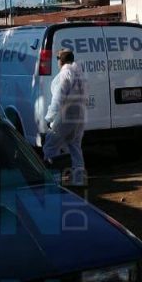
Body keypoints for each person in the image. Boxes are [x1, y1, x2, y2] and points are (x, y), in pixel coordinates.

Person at [43, 49, 87, 186]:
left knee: (50, 146)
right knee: (75, 147)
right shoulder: (79, 74)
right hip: (80, 116)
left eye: (57, 58)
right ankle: (79, 179)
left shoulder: (65, 74)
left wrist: (49, 118)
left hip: (66, 115)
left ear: (60, 60)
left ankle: (53, 179)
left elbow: (58, 98)